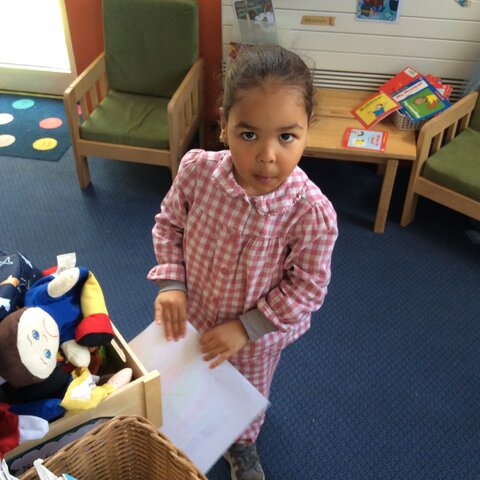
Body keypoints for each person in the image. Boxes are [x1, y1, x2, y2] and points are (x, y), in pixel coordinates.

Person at [147, 44, 338, 480]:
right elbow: (169, 225)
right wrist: (171, 283)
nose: (267, 155)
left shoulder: (310, 212)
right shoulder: (197, 172)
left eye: (286, 137)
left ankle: (243, 444)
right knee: (187, 375)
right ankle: (184, 421)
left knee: (243, 391)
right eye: (249, 134)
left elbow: (307, 288)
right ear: (224, 126)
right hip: (192, 314)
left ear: (308, 130)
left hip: (255, 338)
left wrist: (247, 327)